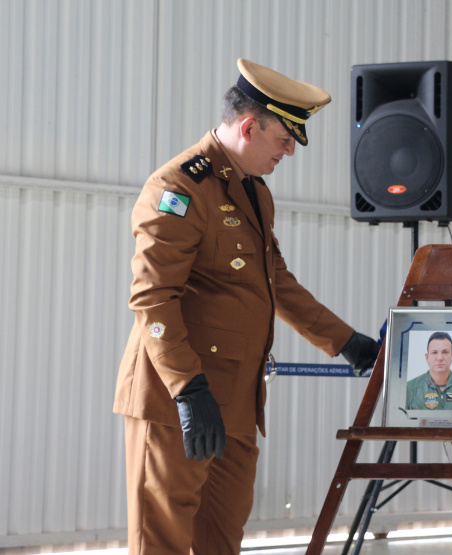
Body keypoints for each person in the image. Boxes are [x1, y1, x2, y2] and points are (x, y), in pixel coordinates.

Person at [113, 58, 380, 554]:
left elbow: (275, 282)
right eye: (284, 138)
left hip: (235, 400)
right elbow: (153, 297)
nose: (289, 151)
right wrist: (188, 389)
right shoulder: (179, 187)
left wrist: (346, 342)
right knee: (162, 541)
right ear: (249, 126)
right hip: (178, 400)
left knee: (221, 540)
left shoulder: (254, 191)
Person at [405, 331, 452, 410]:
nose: (440, 358)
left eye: (445, 352)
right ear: (427, 357)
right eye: (434, 352)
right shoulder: (409, 389)